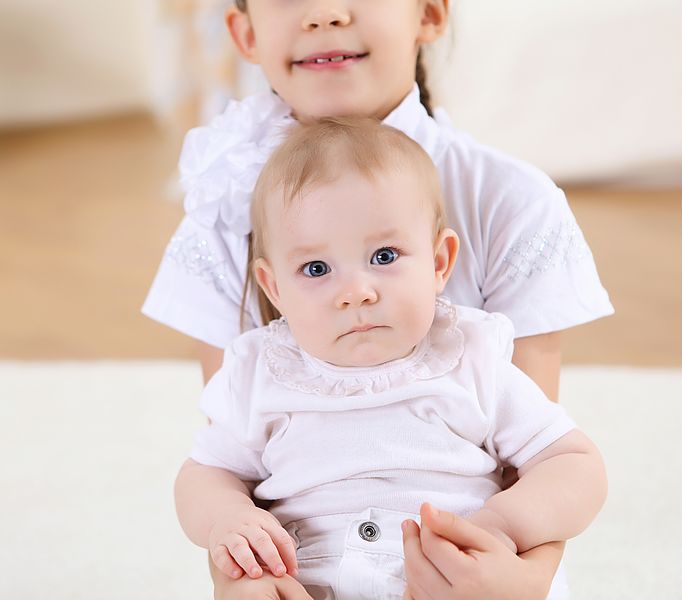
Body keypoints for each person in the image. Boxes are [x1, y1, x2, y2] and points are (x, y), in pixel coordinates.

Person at [143, 1, 614, 597]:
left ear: (430, 14)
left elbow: (543, 464)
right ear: (244, 32)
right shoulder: (224, 213)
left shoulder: (509, 202)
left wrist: (518, 576)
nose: (324, 14)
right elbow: (235, 472)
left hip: (471, 570)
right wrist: (238, 567)